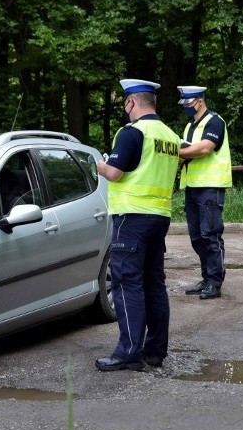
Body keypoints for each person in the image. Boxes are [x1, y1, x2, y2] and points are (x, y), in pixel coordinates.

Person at [94, 78, 182, 371]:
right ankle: (155, 351)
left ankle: (128, 352)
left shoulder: (132, 132)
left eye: (125, 103)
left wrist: (98, 164)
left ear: (131, 102)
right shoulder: (169, 135)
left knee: (126, 284)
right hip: (160, 217)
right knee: (154, 283)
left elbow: (116, 173)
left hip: (131, 217)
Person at [177, 86, 232, 300]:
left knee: (210, 235)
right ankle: (207, 278)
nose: (186, 108)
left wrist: (176, 151)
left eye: (188, 103)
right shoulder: (190, 126)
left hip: (210, 186)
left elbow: (204, 149)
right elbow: (188, 153)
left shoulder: (215, 122)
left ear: (199, 101)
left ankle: (215, 282)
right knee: (197, 237)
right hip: (192, 187)